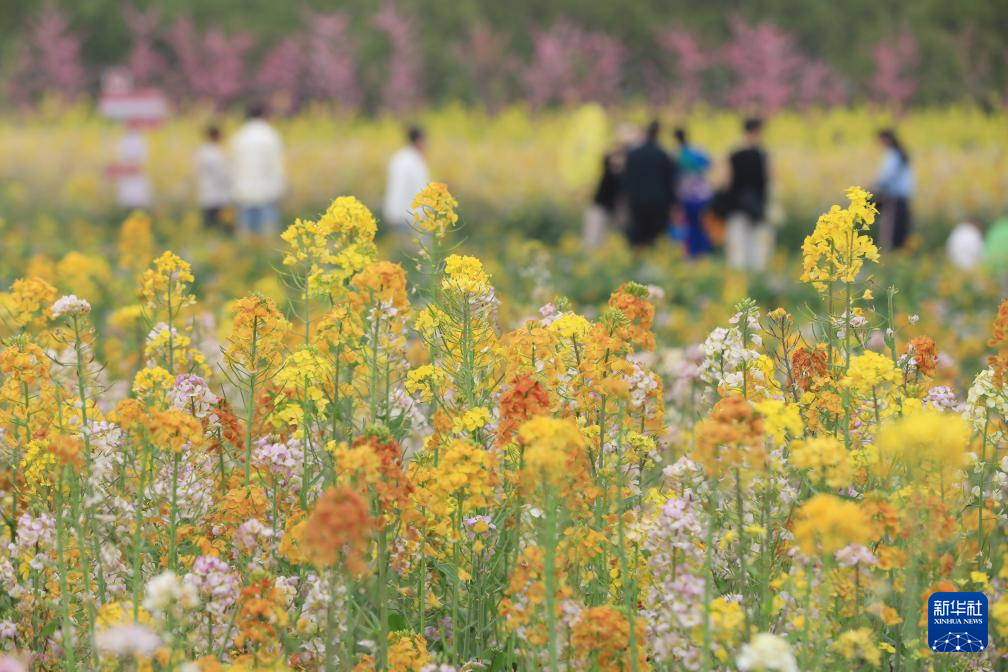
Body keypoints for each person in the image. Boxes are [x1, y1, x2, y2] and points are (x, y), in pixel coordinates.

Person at [231, 103, 285, 237]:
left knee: (246, 234)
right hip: (266, 191)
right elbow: (276, 165)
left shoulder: (240, 135)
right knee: (267, 233)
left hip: (243, 190)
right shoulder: (269, 134)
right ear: (264, 115)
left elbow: (233, 163)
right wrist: (280, 186)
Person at [622, 120, 678, 247]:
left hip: (637, 201)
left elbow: (626, 179)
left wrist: (628, 197)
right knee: (657, 238)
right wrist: (673, 202)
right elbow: (670, 181)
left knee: (638, 237)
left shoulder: (633, 154)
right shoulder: (664, 155)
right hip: (659, 202)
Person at [725, 117, 771, 271]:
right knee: (758, 249)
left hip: (737, 205)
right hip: (758, 206)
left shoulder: (734, 155)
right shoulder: (764, 156)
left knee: (737, 248)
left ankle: (738, 279)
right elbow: (771, 181)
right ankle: (756, 277)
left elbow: (727, 182)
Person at [584, 124, 637, 250]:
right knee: (592, 242)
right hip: (602, 204)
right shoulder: (612, 157)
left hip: (617, 206)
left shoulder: (631, 160)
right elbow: (612, 162)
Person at [674, 127, 713, 257]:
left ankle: (690, 254)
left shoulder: (677, 155)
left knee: (687, 226)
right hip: (702, 195)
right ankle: (703, 252)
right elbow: (709, 165)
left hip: (685, 196)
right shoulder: (698, 151)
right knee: (701, 225)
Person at [383, 126, 431, 231]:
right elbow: (400, 188)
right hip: (406, 216)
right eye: (426, 141)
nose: (428, 145)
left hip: (405, 214)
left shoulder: (403, 157)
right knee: (410, 241)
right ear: (419, 141)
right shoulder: (409, 160)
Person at [874, 129, 914, 251]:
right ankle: (897, 253)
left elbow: (886, 178)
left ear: (887, 140)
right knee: (900, 230)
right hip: (903, 198)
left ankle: (889, 253)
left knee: (891, 230)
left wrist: (872, 189)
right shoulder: (901, 154)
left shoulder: (893, 155)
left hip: (894, 198)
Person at [194, 124, 230, 229]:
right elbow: (220, 173)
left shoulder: (202, 151)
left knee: (210, 217)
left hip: (209, 190)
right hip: (215, 191)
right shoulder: (213, 153)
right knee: (215, 218)